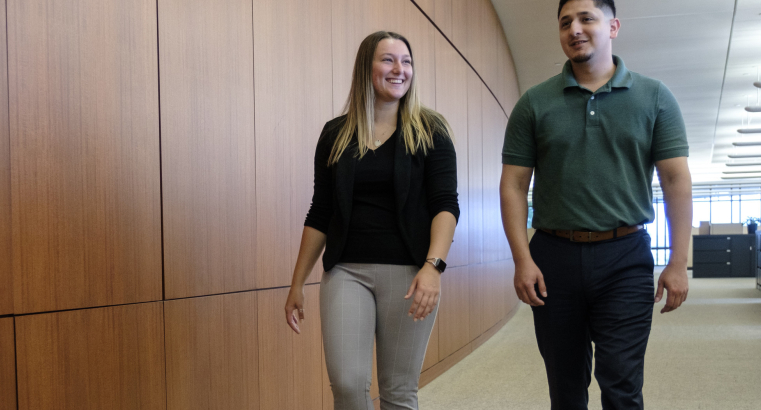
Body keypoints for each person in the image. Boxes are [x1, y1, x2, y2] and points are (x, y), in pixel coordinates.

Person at [498, 0, 693, 408]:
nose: (575, 29)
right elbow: (514, 185)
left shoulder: (655, 97)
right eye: (565, 22)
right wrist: (522, 259)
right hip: (553, 258)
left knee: (622, 387)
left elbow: (675, 178)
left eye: (587, 18)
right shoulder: (534, 103)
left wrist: (679, 261)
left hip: (625, 256)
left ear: (614, 27)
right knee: (566, 390)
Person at [282, 31, 459, 410]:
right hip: (346, 270)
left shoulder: (432, 130)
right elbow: (320, 211)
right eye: (388, 60)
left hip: (410, 274)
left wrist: (434, 267)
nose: (399, 69)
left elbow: (446, 205)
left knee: (398, 391)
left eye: (406, 61)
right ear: (367, 68)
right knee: (347, 384)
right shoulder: (335, 134)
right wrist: (297, 283)